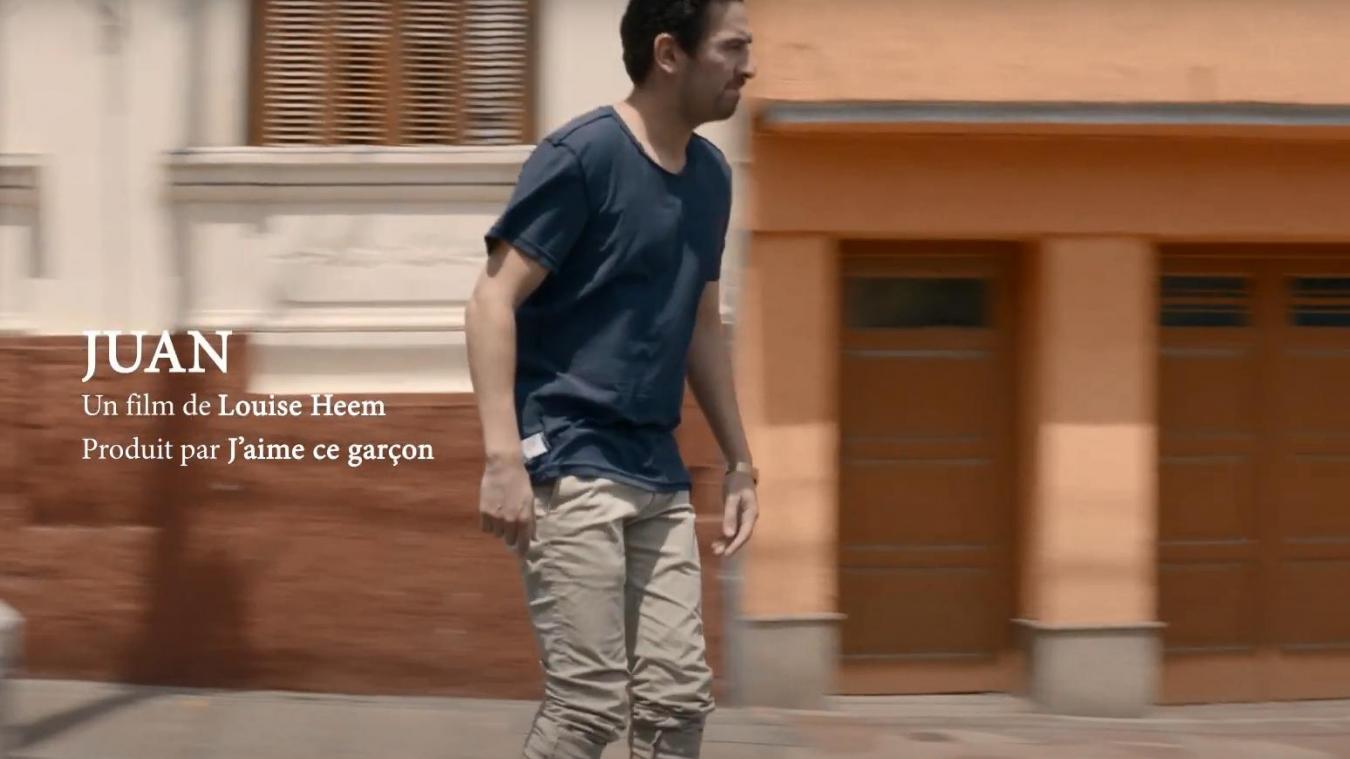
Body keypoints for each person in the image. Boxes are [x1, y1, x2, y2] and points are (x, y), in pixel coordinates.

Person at [464, 1, 757, 757]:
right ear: (670, 54)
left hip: (656, 469)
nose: (748, 67)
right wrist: (503, 458)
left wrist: (739, 459)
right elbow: (491, 300)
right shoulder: (583, 156)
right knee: (587, 711)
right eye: (732, 48)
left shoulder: (712, 177)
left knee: (678, 705)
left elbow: (702, 325)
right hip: (569, 458)